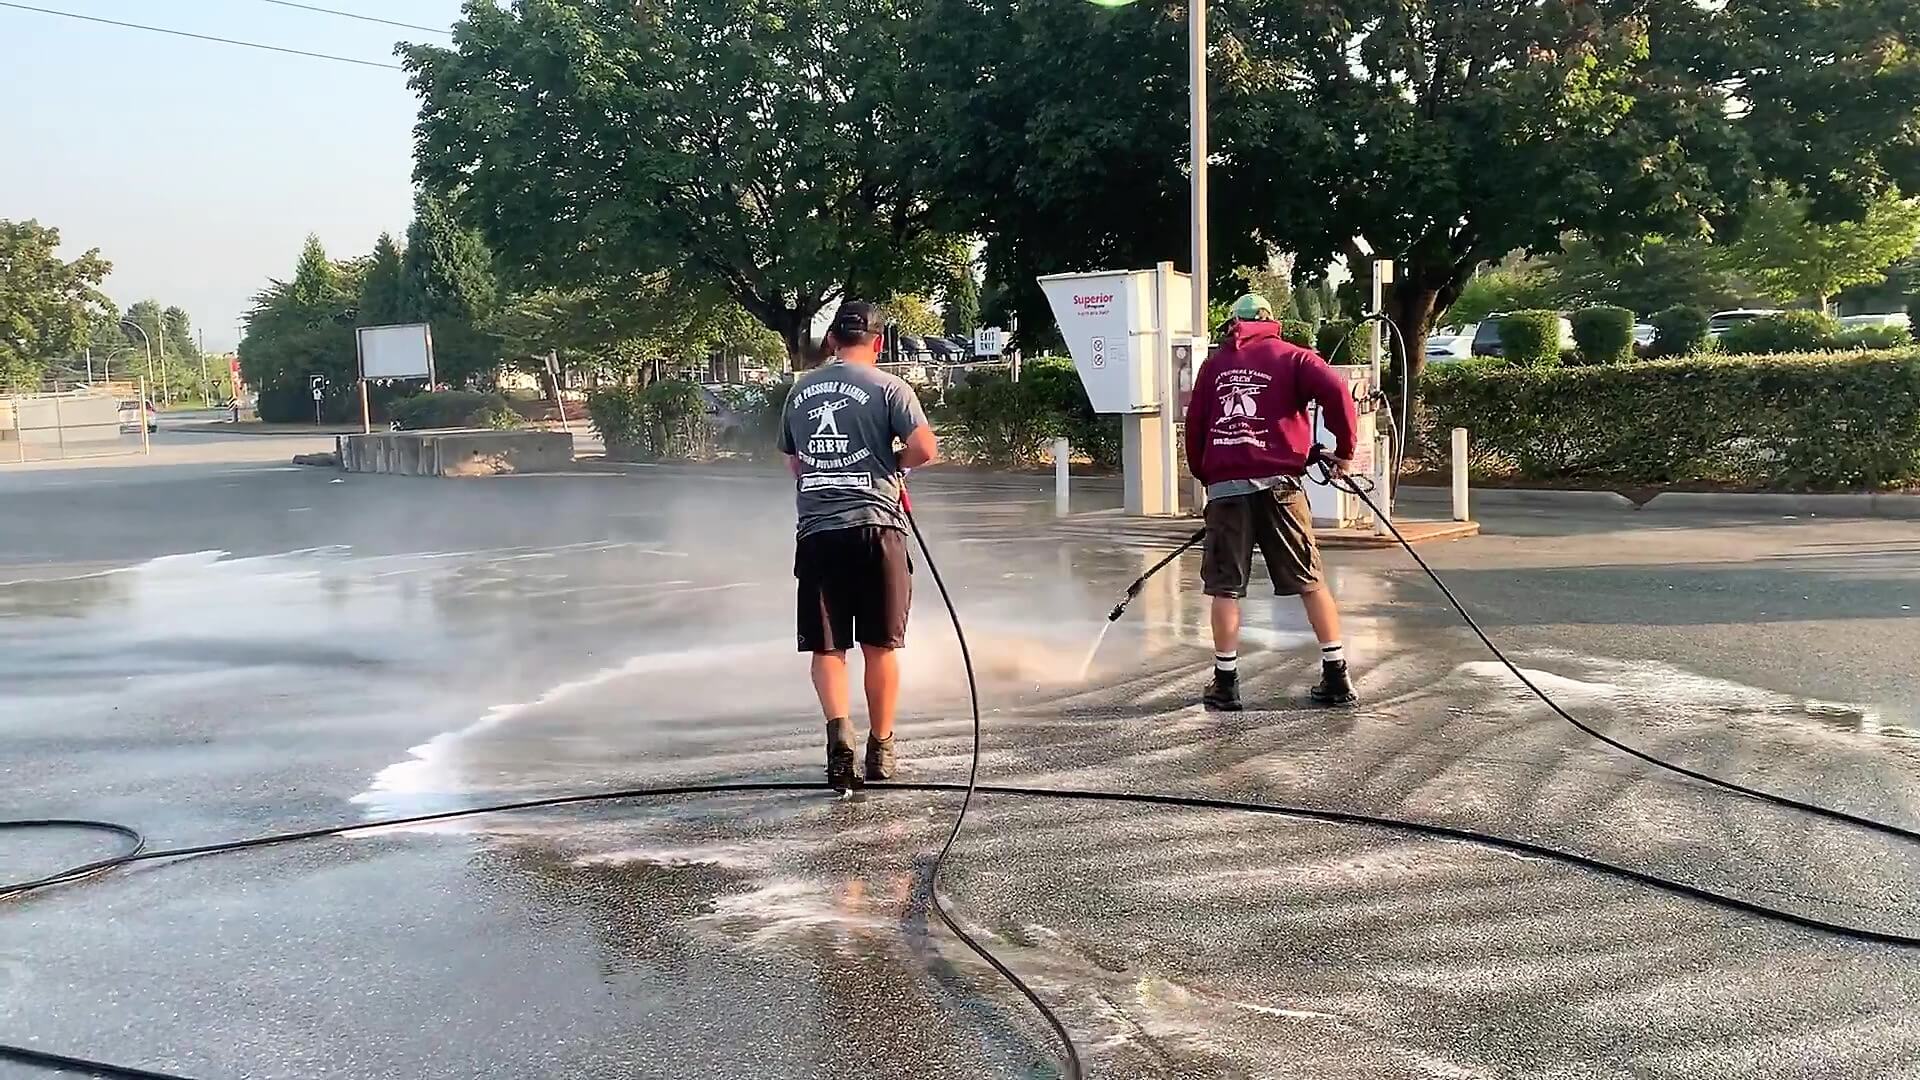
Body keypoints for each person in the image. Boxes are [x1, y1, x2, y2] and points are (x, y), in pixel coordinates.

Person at [778, 300, 939, 791]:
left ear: (831, 341)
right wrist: (893, 465)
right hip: (878, 527)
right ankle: (881, 749)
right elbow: (925, 449)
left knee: (828, 647)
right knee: (880, 645)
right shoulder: (891, 388)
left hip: (819, 532)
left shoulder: (800, 391)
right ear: (879, 341)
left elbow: (794, 463)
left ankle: (839, 743)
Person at [1183, 293, 1360, 711]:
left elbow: (1196, 428)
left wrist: (1209, 476)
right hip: (1282, 488)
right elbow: (1336, 388)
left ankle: (1226, 685)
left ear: (1233, 323)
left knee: (1225, 587)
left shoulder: (1215, 367)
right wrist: (1345, 452)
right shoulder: (1295, 358)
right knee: (1310, 579)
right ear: (1271, 320)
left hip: (1227, 490)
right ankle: (1336, 677)